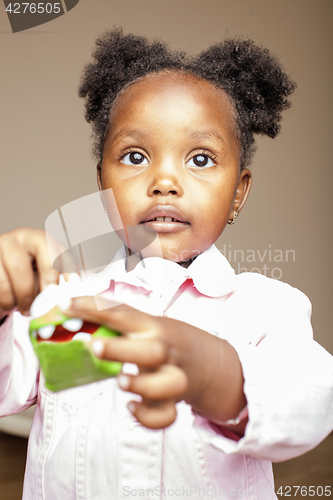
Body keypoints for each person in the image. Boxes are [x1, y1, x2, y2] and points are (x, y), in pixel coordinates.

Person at [0, 29, 332, 500]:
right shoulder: (67, 300)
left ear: (238, 191)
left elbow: (311, 402)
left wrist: (222, 377)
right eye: (135, 156)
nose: (164, 181)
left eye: (200, 158)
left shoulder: (262, 308)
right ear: (102, 186)